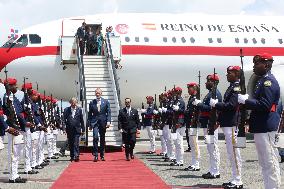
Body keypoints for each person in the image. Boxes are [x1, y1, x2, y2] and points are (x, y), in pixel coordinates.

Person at [238, 53, 281, 189]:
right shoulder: (262, 81)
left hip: (266, 126)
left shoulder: (269, 82)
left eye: (257, 63)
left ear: (267, 65)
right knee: (264, 162)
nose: (254, 66)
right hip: (261, 126)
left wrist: (247, 101)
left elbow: (265, 105)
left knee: (270, 162)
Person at [210, 66, 243, 188]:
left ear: (236, 73)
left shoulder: (236, 86)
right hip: (228, 123)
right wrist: (219, 120)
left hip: (232, 123)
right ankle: (234, 178)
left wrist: (216, 104)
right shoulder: (231, 87)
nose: (227, 75)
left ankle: (238, 180)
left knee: (234, 153)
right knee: (231, 152)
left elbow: (232, 105)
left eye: (229, 73)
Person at [194, 74, 222, 179]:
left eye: (208, 81)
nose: (206, 83)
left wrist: (200, 105)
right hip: (207, 123)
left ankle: (215, 171)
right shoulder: (210, 93)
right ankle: (212, 169)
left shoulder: (216, 94)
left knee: (213, 147)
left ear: (214, 82)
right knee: (210, 148)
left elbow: (212, 109)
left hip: (211, 123)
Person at [3, 78, 27, 183]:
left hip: (18, 128)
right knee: (13, 153)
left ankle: (16, 174)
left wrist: (23, 125)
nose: (16, 87)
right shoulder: (6, 97)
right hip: (12, 128)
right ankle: (12, 177)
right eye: (14, 85)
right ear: (9, 86)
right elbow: (6, 113)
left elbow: (20, 111)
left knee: (17, 153)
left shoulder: (14, 98)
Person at [88, 88, 111, 162]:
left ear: (101, 93)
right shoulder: (92, 102)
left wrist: (108, 121)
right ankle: (95, 155)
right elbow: (89, 114)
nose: (97, 94)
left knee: (102, 139)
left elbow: (109, 112)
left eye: (99, 93)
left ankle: (102, 155)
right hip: (94, 123)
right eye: (96, 93)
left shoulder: (106, 102)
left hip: (103, 122)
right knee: (95, 137)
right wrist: (90, 124)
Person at [184, 83, 201, 171]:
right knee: (192, 145)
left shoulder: (195, 99)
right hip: (190, 124)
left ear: (194, 88)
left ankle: (196, 164)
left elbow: (193, 112)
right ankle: (193, 163)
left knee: (194, 144)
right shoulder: (191, 98)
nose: (188, 90)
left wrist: (184, 111)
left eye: (189, 88)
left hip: (193, 124)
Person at [63, 97, 85, 162]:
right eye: (72, 103)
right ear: (70, 103)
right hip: (69, 129)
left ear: (76, 103)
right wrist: (64, 129)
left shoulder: (79, 110)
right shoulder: (66, 110)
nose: (73, 104)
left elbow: (81, 120)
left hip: (77, 129)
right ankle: (72, 156)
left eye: (75, 103)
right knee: (71, 143)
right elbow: (64, 120)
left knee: (76, 143)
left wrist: (83, 129)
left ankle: (76, 156)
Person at [170, 87, 185, 166]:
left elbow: (182, 113)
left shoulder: (181, 101)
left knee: (179, 143)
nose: (174, 94)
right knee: (176, 142)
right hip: (175, 123)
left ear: (179, 93)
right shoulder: (176, 101)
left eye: (175, 92)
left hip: (179, 124)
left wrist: (179, 123)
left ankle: (180, 161)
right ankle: (177, 159)